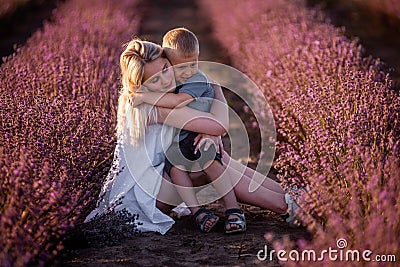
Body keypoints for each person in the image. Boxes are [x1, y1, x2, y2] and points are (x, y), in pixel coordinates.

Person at [85, 38, 301, 235]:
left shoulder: (160, 96)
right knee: (206, 160)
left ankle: (289, 196)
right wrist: (216, 89)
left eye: (165, 69)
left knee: (215, 155)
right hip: (145, 199)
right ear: (142, 86)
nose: (165, 80)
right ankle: (285, 205)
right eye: (154, 80)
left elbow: (209, 127)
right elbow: (219, 126)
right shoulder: (151, 108)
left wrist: (207, 132)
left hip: (160, 180)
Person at [130, 28, 245, 234]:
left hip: (199, 134)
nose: (188, 71)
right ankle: (197, 212)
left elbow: (178, 102)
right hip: (179, 140)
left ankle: (233, 208)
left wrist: (145, 97)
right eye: (180, 67)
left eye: (194, 63)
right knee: (176, 170)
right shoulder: (173, 81)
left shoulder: (196, 80)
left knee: (211, 162)